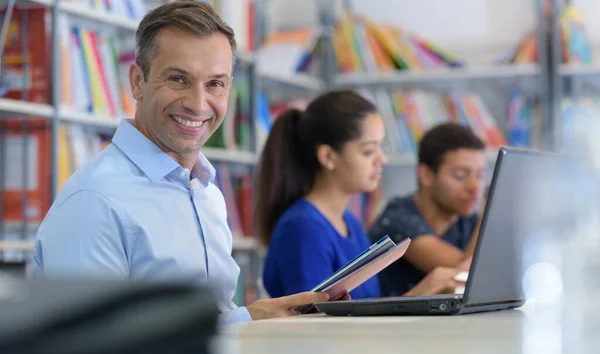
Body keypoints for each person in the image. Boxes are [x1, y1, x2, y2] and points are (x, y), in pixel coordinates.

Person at [32, 0, 328, 323]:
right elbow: (92, 351)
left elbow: (211, 320)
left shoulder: (207, 195)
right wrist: (247, 320)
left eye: (215, 84)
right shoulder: (95, 202)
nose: (198, 104)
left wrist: (258, 323)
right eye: (178, 79)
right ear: (137, 81)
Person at [255, 90, 463, 300]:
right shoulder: (303, 228)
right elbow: (313, 325)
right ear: (328, 156)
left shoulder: (350, 223)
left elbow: (365, 313)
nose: (382, 160)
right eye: (368, 151)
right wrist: (421, 293)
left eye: (380, 148)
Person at [368, 122, 487, 297]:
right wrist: (489, 215)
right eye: (461, 175)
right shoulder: (397, 219)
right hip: (392, 324)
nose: (475, 187)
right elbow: (467, 274)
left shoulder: (467, 218)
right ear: (426, 175)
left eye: (480, 175)